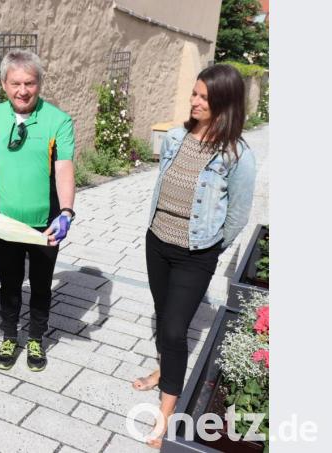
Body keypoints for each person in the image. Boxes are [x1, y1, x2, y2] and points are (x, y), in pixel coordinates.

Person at [133, 64, 256, 448]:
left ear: (225, 102)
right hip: (157, 241)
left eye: (204, 97)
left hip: (195, 254)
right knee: (163, 313)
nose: (195, 101)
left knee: (174, 329)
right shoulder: (175, 137)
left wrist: (210, 248)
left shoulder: (238, 156)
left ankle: (166, 414)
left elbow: (238, 215)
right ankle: (163, 369)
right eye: (195, 93)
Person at [0, 50, 76, 372]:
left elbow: (64, 168)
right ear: (4, 84)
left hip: (45, 224)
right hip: (5, 221)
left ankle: (35, 337)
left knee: (40, 283)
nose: (23, 91)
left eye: (30, 83)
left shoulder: (58, 121)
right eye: (16, 83)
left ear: (39, 83)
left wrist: (66, 212)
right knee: (9, 283)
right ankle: (9, 336)